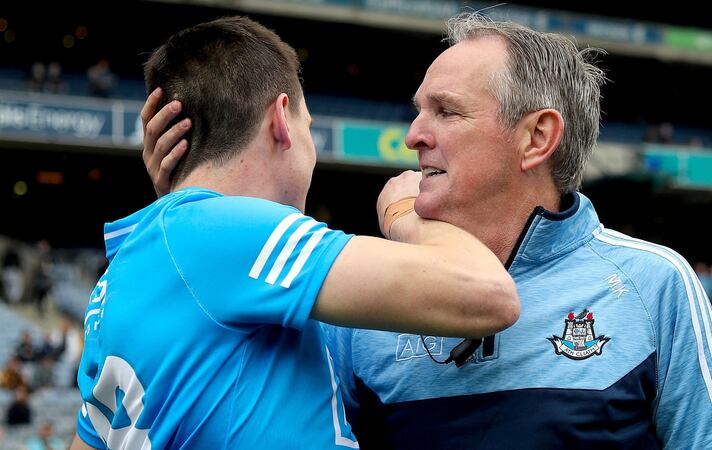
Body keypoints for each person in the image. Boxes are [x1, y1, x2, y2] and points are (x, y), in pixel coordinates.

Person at [144, 12, 712, 450]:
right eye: (418, 109)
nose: (413, 135)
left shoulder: (653, 284)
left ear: (537, 137)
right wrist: (191, 207)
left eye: (446, 111)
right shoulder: (360, 301)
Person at [70, 17, 518, 450]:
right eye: (308, 126)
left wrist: (184, 202)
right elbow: (488, 294)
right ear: (281, 119)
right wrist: (403, 211)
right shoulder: (220, 233)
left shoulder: (127, 271)